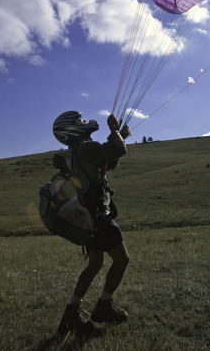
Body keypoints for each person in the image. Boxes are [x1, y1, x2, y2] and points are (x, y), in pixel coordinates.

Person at [52, 110, 131, 337]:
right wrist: (115, 131)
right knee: (123, 259)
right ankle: (104, 306)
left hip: (88, 217)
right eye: (79, 121)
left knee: (95, 264)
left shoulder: (79, 150)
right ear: (71, 128)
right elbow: (118, 150)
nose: (84, 122)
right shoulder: (85, 148)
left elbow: (109, 162)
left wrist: (118, 134)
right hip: (98, 216)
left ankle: (71, 314)